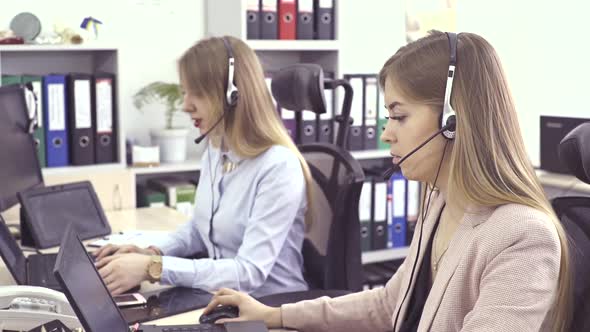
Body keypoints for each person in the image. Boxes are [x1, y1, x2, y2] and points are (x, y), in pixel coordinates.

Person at [202, 31, 572, 332]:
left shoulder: (522, 236)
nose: (386, 134)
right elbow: (390, 303)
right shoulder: (440, 202)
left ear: (453, 122)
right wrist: (274, 315)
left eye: (399, 116)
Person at [93, 36, 313, 298]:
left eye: (196, 92)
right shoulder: (216, 150)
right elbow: (200, 230)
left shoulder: (278, 166)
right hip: (220, 298)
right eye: (185, 92)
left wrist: (154, 268)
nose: (186, 105)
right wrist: (152, 253)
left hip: (271, 307)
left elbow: (249, 272)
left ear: (233, 95)